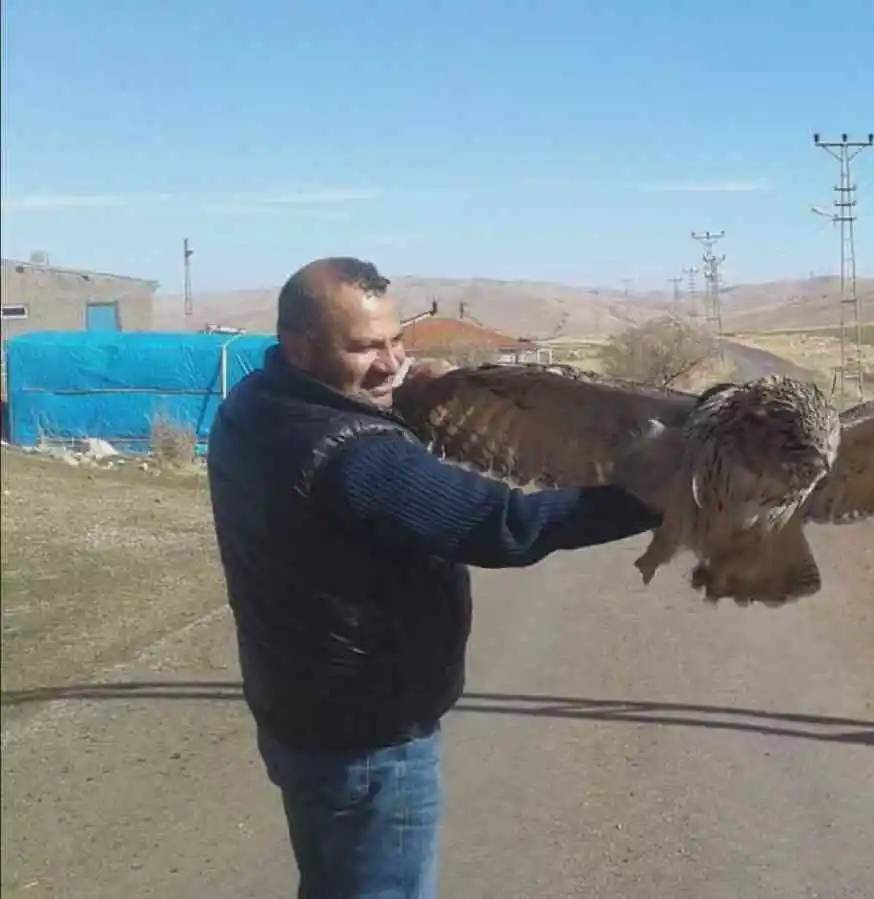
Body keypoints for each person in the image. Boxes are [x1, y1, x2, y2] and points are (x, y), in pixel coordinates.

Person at [207, 256, 663, 899]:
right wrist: (665, 494)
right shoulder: (353, 451)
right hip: (368, 736)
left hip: (298, 710)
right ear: (300, 348)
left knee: (333, 880)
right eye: (365, 347)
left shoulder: (253, 402)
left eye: (396, 340)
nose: (391, 362)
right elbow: (507, 526)